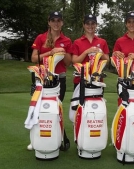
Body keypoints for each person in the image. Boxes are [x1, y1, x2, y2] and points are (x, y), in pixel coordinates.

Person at [28, 11, 72, 150]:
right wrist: (51, 52)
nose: (56, 23)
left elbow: (68, 62)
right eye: (53, 20)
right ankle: (35, 140)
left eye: (59, 20)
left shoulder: (66, 40)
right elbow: (34, 58)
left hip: (59, 79)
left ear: (62, 22)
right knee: (38, 109)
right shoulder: (41, 38)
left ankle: (58, 138)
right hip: (41, 79)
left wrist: (62, 53)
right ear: (49, 22)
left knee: (56, 109)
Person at [71, 14, 110, 89]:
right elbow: (74, 61)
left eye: (93, 23)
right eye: (87, 23)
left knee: (97, 101)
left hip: (98, 80)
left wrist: (100, 53)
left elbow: (107, 60)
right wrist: (86, 52)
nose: (90, 26)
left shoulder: (102, 42)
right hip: (80, 80)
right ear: (84, 25)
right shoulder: (77, 42)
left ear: (96, 25)